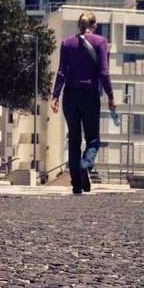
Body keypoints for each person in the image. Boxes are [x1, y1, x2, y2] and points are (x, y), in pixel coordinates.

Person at [51, 11, 116, 195]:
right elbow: (103, 72)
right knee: (93, 139)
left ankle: (77, 185)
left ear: (79, 25)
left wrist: (55, 96)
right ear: (94, 26)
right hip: (90, 94)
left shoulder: (67, 43)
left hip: (70, 95)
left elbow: (62, 71)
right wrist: (111, 96)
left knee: (74, 139)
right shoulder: (100, 42)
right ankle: (85, 164)